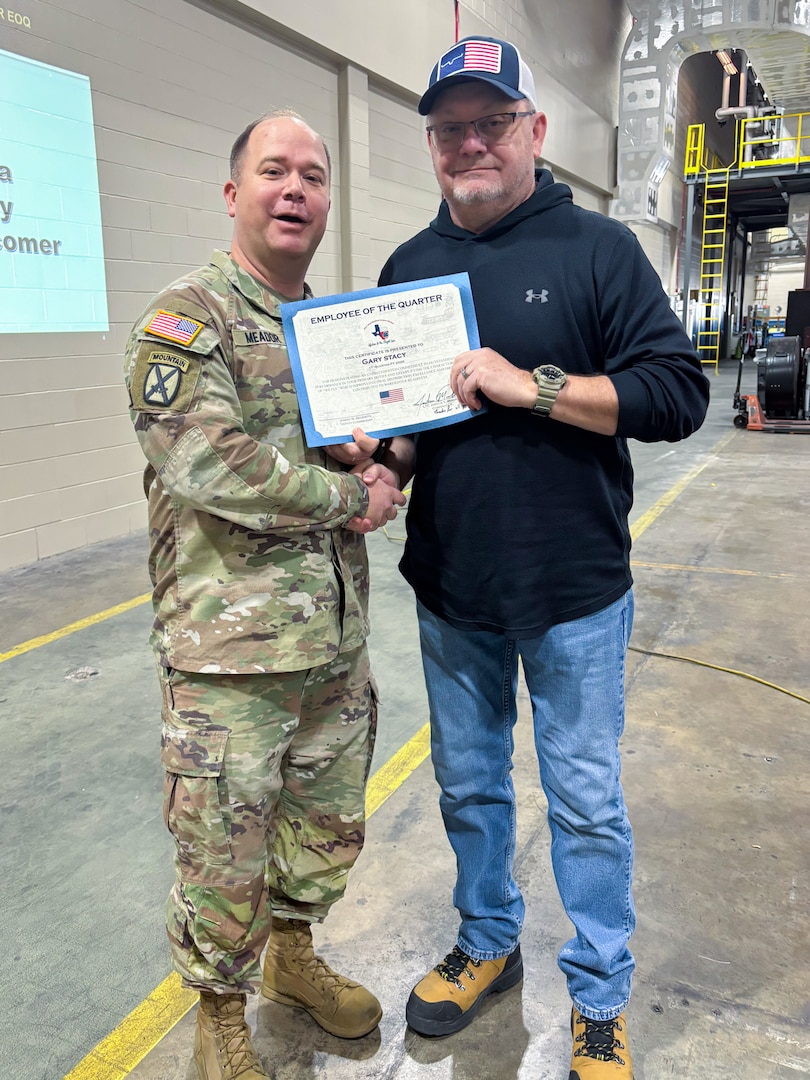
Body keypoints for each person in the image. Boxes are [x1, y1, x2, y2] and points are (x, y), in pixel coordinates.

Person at [338, 36, 710, 1079]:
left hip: (573, 590)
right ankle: (490, 942)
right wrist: (386, 469)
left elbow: (677, 393)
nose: (470, 144)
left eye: (492, 123)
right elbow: (415, 425)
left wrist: (532, 386)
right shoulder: (408, 268)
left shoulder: (598, 249)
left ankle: (599, 993)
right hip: (453, 585)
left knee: (584, 802)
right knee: (469, 787)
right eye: (449, 128)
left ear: (535, 132)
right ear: (431, 143)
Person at [124, 110, 405, 1080]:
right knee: (223, 845)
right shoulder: (187, 318)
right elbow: (211, 461)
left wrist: (380, 459)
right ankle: (220, 1017)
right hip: (229, 658)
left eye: (313, 176)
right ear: (233, 192)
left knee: (321, 825)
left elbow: (352, 443)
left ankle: (292, 957)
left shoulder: (325, 330)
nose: (296, 190)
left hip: (331, 641)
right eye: (275, 170)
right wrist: (349, 497)